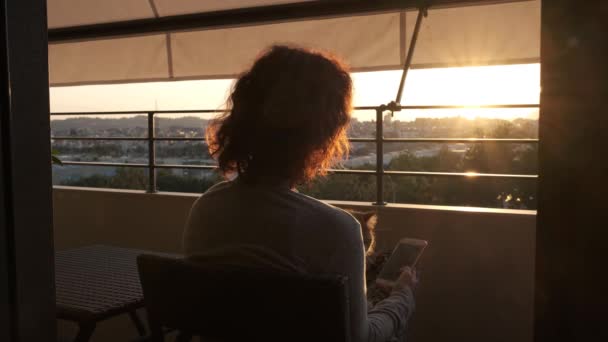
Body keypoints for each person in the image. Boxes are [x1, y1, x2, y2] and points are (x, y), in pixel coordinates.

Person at [182, 45, 417, 342]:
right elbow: (360, 338)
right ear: (323, 134)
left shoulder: (206, 208)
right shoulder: (338, 229)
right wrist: (401, 299)